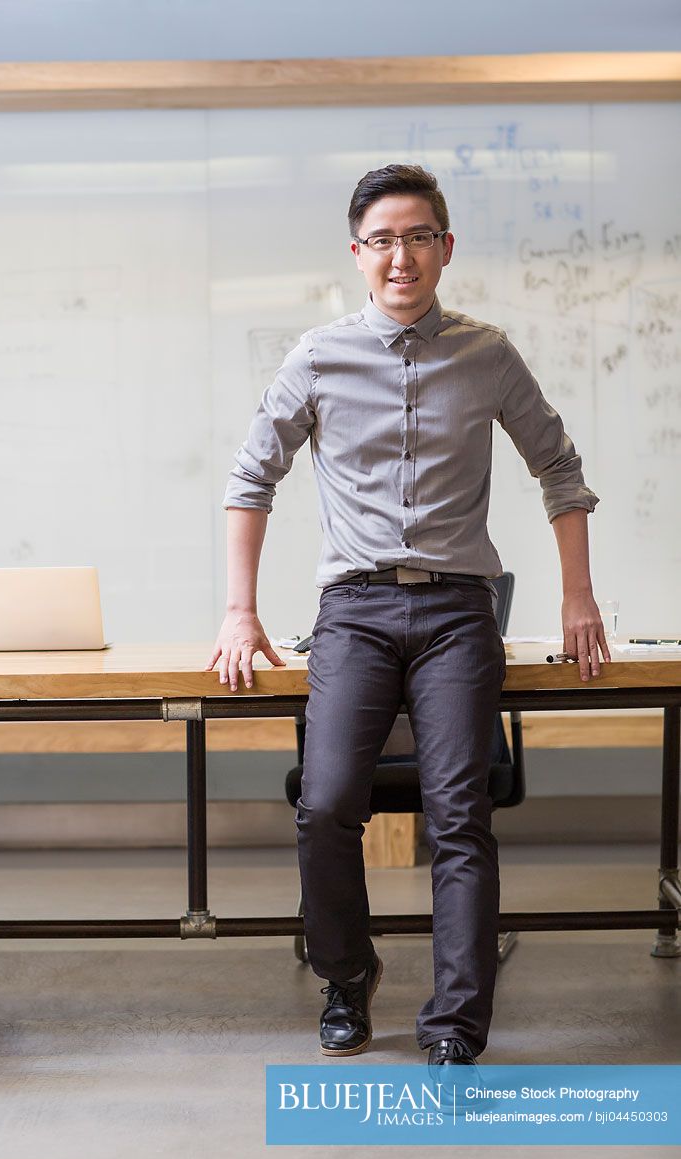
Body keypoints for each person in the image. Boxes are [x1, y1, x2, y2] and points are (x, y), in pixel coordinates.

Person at [206, 164, 608, 1072]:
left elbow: (561, 470)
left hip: (459, 611)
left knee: (459, 812)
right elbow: (248, 480)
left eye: (418, 236)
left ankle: (456, 1020)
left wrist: (576, 595)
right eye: (382, 239)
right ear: (357, 254)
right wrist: (239, 611)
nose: (401, 255)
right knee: (325, 802)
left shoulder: (488, 353)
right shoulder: (316, 356)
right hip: (352, 609)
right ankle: (347, 978)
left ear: (444, 248)